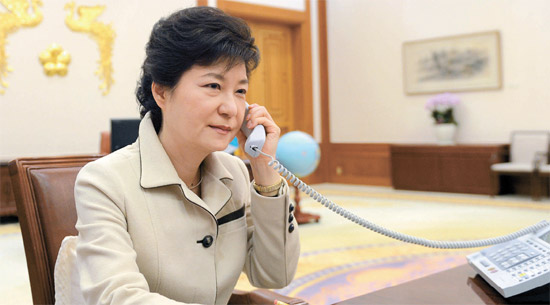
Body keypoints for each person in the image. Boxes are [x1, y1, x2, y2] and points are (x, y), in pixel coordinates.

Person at [70, 6, 300, 305]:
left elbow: (274, 275)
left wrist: (263, 167)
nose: (231, 108)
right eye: (213, 86)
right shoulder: (104, 182)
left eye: (240, 91)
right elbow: (116, 297)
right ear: (162, 92)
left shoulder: (235, 174)